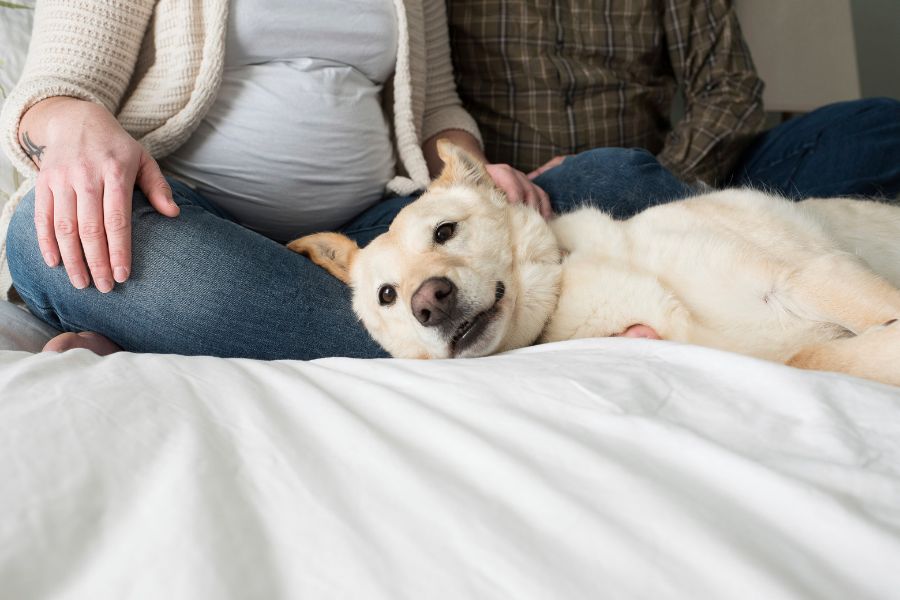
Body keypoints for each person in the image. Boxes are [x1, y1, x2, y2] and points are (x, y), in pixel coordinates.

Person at [0, 0, 693, 359]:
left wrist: (473, 180)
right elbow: (51, 93)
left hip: (373, 249)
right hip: (183, 223)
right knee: (52, 232)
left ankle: (189, 331)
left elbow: (437, 106)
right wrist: (72, 125)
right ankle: (500, 323)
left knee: (616, 178)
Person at [447, 0, 900, 201]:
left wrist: (653, 182)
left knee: (878, 126)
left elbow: (731, 88)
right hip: (524, 199)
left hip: (668, 178)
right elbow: (428, 104)